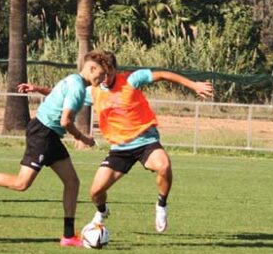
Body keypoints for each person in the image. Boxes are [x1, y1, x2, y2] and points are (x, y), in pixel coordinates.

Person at [18, 52, 213, 233]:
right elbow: (66, 96)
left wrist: (193, 85)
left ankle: (161, 205)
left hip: (145, 141)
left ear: (114, 71)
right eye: (102, 75)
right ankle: (102, 211)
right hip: (119, 148)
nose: (104, 79)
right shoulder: (94, 91)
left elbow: (162, 74)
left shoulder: (130, 79)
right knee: (95, 192)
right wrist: (38, 89)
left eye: (108, 74)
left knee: (164, 166)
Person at [0, 50, 111, 247]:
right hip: (43, 133)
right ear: (92, 68)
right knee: (21, 184)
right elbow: (65, 120)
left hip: (50, 135)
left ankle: (68, 236)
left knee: (72, 182)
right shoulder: (78, 87)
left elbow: (57, 94)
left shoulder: (75, 82)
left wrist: (37, 88)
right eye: (101, 74)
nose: (103, 78)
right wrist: (82, 137)